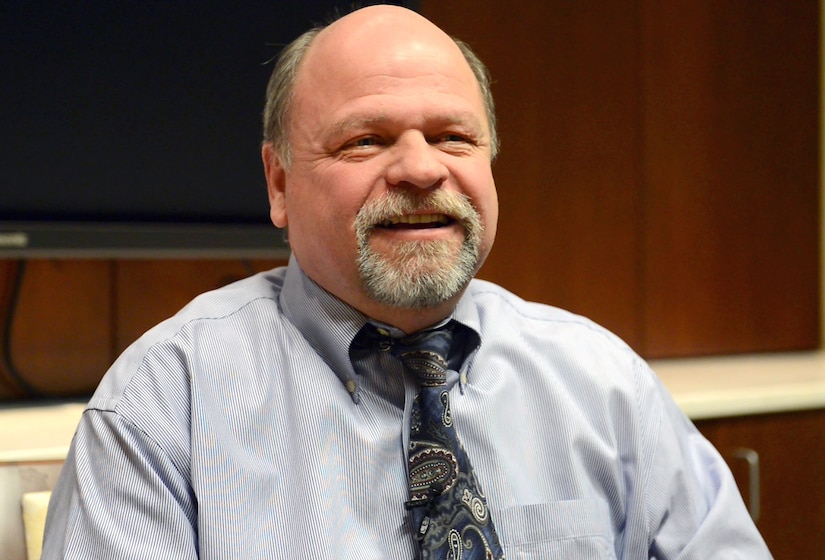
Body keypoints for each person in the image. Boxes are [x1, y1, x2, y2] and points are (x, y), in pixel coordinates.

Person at [43, 4, 771, 559]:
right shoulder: (161, 408)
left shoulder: (604, 386)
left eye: (454, 137)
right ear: (279, 183)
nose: (423, 169)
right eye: (366, 139)